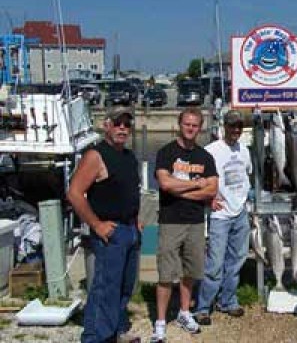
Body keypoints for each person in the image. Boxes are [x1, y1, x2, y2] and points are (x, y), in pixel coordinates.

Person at [67, 107, 141, 343]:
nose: (122, 128)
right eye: (118, 123)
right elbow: (75, 193)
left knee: (124, 288)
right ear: (106, 125)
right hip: (111, 232)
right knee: (104, 290)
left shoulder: (129, 157)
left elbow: (132, 191)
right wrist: (96, 224)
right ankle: (95, 337)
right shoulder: (95, 156)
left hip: (130, 230)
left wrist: (137, 220)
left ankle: (114, 332)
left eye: (127, 124)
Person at [151, 107, 218, 342]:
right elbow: (165, 184)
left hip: (196, 222)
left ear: (200, 128)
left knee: (191, 272)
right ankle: (160, 322)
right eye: (187, 124)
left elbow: (212, 190)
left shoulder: (205, 157)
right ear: (179, 125)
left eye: (195, 125)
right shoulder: (166, 153)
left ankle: (184, 312)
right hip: (170, 221)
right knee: (166, 274)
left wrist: (182, 188)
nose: (190, 128)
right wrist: (195, 186)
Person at [194, 110, 252, 325]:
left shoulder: (244, 150)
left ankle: (228, 300)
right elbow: (197, 178)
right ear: (224, 127)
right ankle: (202, 306)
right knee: (214, 263)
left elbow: (247, 175)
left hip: (240, 213)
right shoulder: (211, 150)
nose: (235, 130)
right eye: (232, 126)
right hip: (220, 215)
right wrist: (208, 199)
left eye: (239, 126)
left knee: (236, 261)